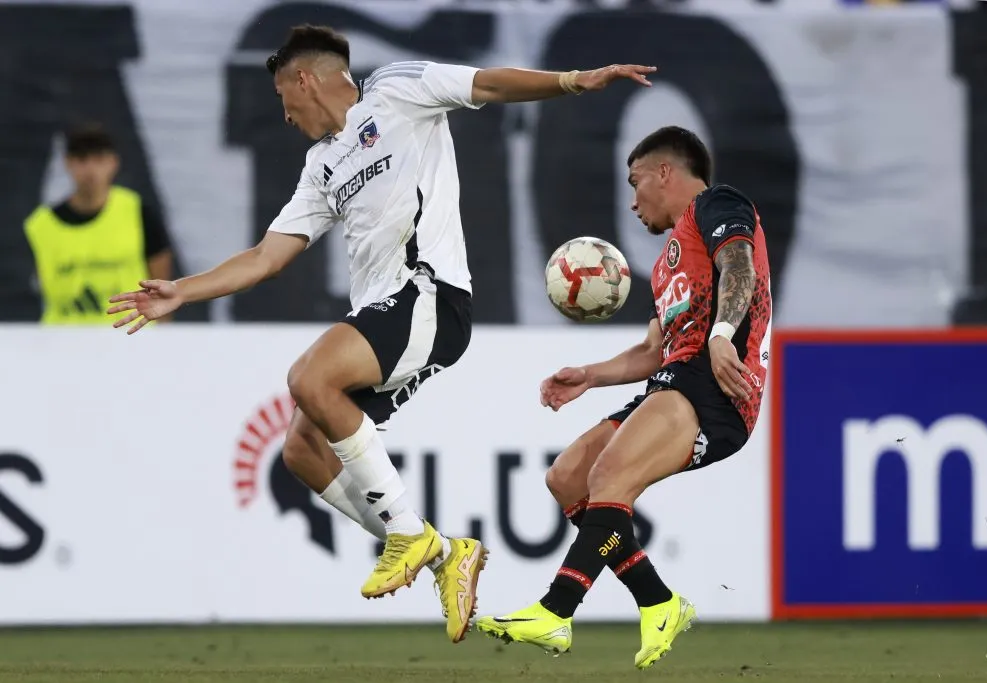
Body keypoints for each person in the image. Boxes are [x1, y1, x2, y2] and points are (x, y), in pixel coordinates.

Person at [106, 24, 656, 643]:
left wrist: (573, 81)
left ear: (303, 79)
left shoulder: (395, 90)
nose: (284, 117)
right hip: (390, 315)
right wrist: (183, 289)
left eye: (282, 99)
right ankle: (444, 552)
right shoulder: (321, 167)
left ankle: (407, 535)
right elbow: (265, 256)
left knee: (309, 378)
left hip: (430, 295)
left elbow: (489, 85)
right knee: (300, 450)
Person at [476, 126, 772, 669]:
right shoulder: (665, 266)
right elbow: (651, 352)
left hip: (715, 389)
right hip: (677, 379)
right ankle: (659, 602)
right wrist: (588, 375)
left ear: (666, 172)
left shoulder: (717, 204)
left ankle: (555, 610)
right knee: (566, 477)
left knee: (610, 477)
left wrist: (723, 334)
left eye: (635, 182)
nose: (632, 201)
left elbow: (740, 267)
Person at [24, 123, 173, 324]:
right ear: (68, 163)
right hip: (64, 341)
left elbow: (161, 286)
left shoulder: (138, 212)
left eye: (99, 159)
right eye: (82, 159)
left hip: (131, 339)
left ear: (113, 162)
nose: (90, 169)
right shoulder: (39, 225)